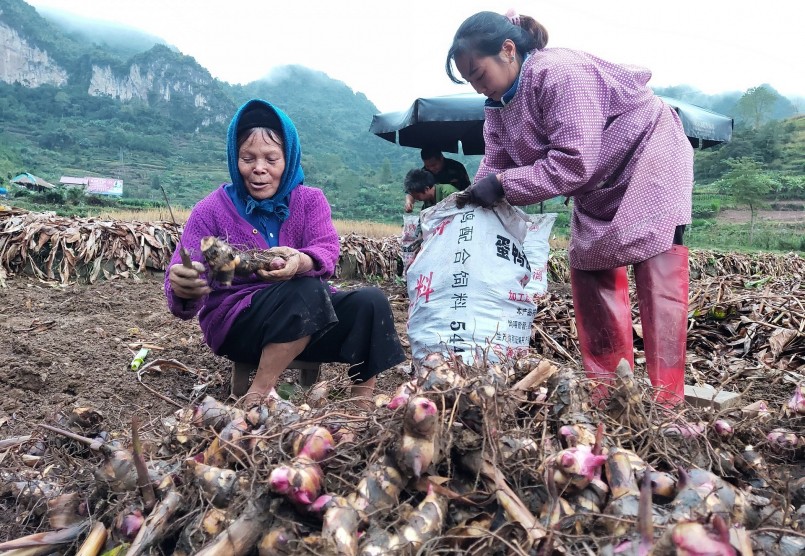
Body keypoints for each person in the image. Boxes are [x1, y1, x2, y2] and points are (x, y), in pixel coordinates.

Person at [445, 11, 693, 407]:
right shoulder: (497, 104)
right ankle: (611, 394)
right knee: (589, 266)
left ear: (508, 51)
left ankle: (668, 397)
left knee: (657, 263)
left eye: (479, 73)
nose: (478, 87)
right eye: (470, 80)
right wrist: (473, 196)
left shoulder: (558, 73)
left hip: (648, 155)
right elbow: (496, 161)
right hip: (598, 179)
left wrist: (505, 186)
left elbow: (573, 163)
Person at [165, 98, 406, 407]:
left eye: (271, 159)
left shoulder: (309, 201)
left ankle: (360, 407)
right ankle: (258, 395)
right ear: (233, 158)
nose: (259, 169)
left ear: (288, 158)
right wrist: (184, 288)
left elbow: (327, 250)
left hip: (311, 318)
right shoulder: (210, 210)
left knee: (370, 301)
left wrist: (301, 261)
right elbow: (183, 286)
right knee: (305, 290)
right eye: (247, 158)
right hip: (240, 324)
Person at [403, 148, 470, 212]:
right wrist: (409, 202)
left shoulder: (456, 167)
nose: (431, 169)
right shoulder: (424, 172)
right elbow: (413, 190)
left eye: (434, 165)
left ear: (441, 158)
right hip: (433, 206)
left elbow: (468, 189)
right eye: (427, 166)